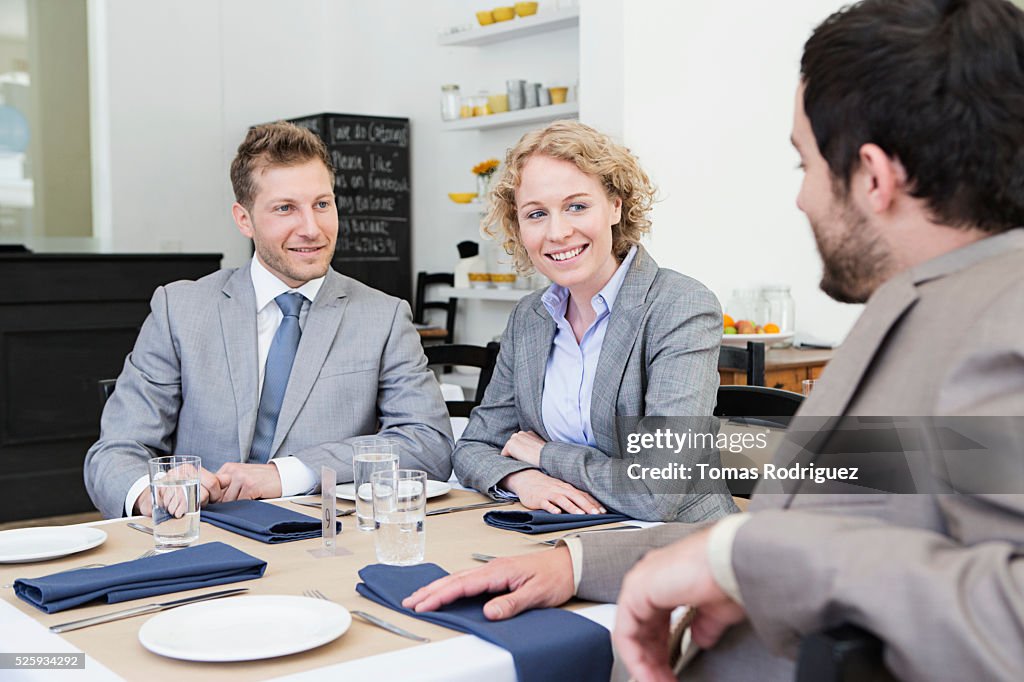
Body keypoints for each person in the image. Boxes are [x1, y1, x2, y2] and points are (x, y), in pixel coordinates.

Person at [404, 1, 1024, 679]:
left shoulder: (998, 326)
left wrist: (738, 561)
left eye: (803, 166)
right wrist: (581, 561)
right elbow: (835, 511)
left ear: (873, 176)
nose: (802, 200)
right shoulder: (918, 309)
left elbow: (998, 608)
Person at [84, 122, 453, 519]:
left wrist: (287, 474)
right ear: (244, 219)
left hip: (324, 538)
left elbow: (427, 443)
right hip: (202, 536)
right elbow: (115, 451)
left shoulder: (383, 316)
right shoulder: (180, 309)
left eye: (322, 204)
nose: (311, 229)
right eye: (285, 208)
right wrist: (154, 491)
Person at [453, 121, 736, 522]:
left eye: (577, 206)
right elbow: (473, 446)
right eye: (536, 214)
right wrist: (524, 480)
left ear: (615, 206)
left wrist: (544, 455)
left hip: (676, 549)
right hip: (559, 534)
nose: (558, 232)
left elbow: (658, 490)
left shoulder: (680, 306)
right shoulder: (530, 317)